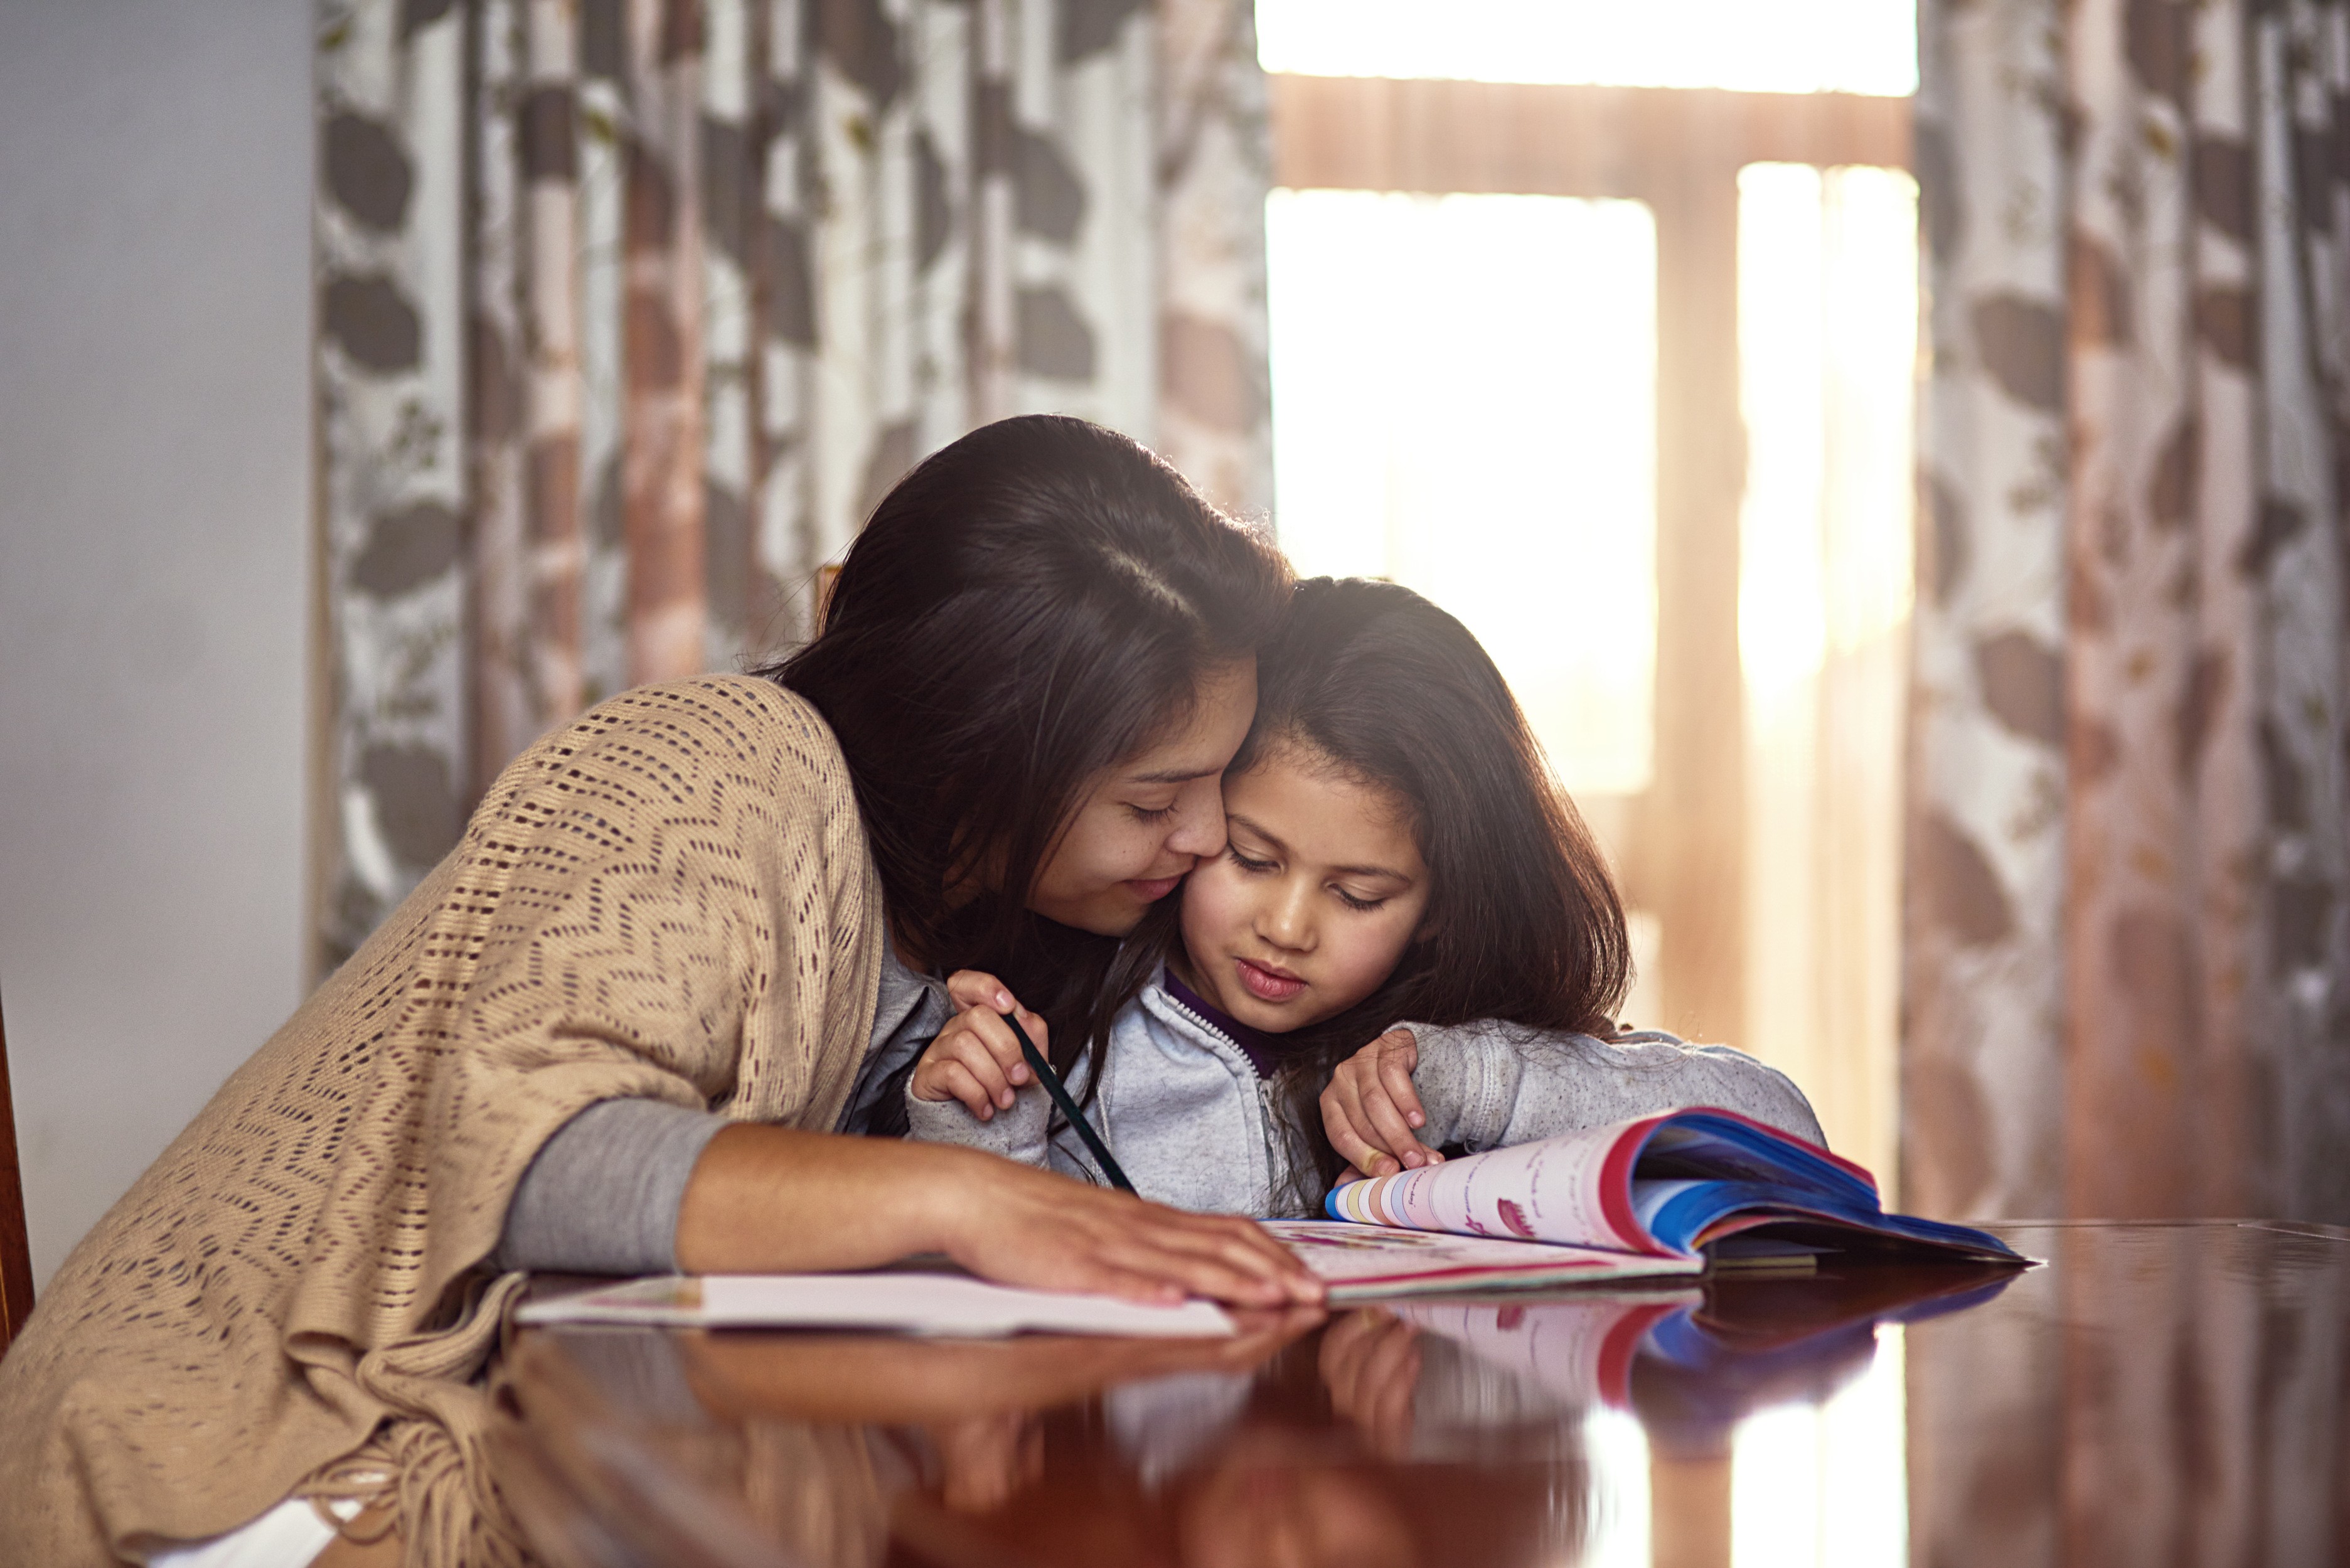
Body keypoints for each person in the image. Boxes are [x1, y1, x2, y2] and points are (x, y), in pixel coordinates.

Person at [0, 416, 1323, 1568]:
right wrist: (966, 1195)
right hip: (233, 1456)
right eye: (1155, 797)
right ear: (978, 749)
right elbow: (536, 1160)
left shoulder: (959, 931)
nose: (1205, 834)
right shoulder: (718, 759)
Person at [904, 577, 1822, 1217]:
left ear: (1442, 907)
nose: (1286, 928)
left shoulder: (1458, 1051)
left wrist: (1477, 1082)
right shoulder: (1069, 1024)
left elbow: (1788, 1134)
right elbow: (980, 1297)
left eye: (1357, 894)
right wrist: (981, 1128)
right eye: (1252, 859)